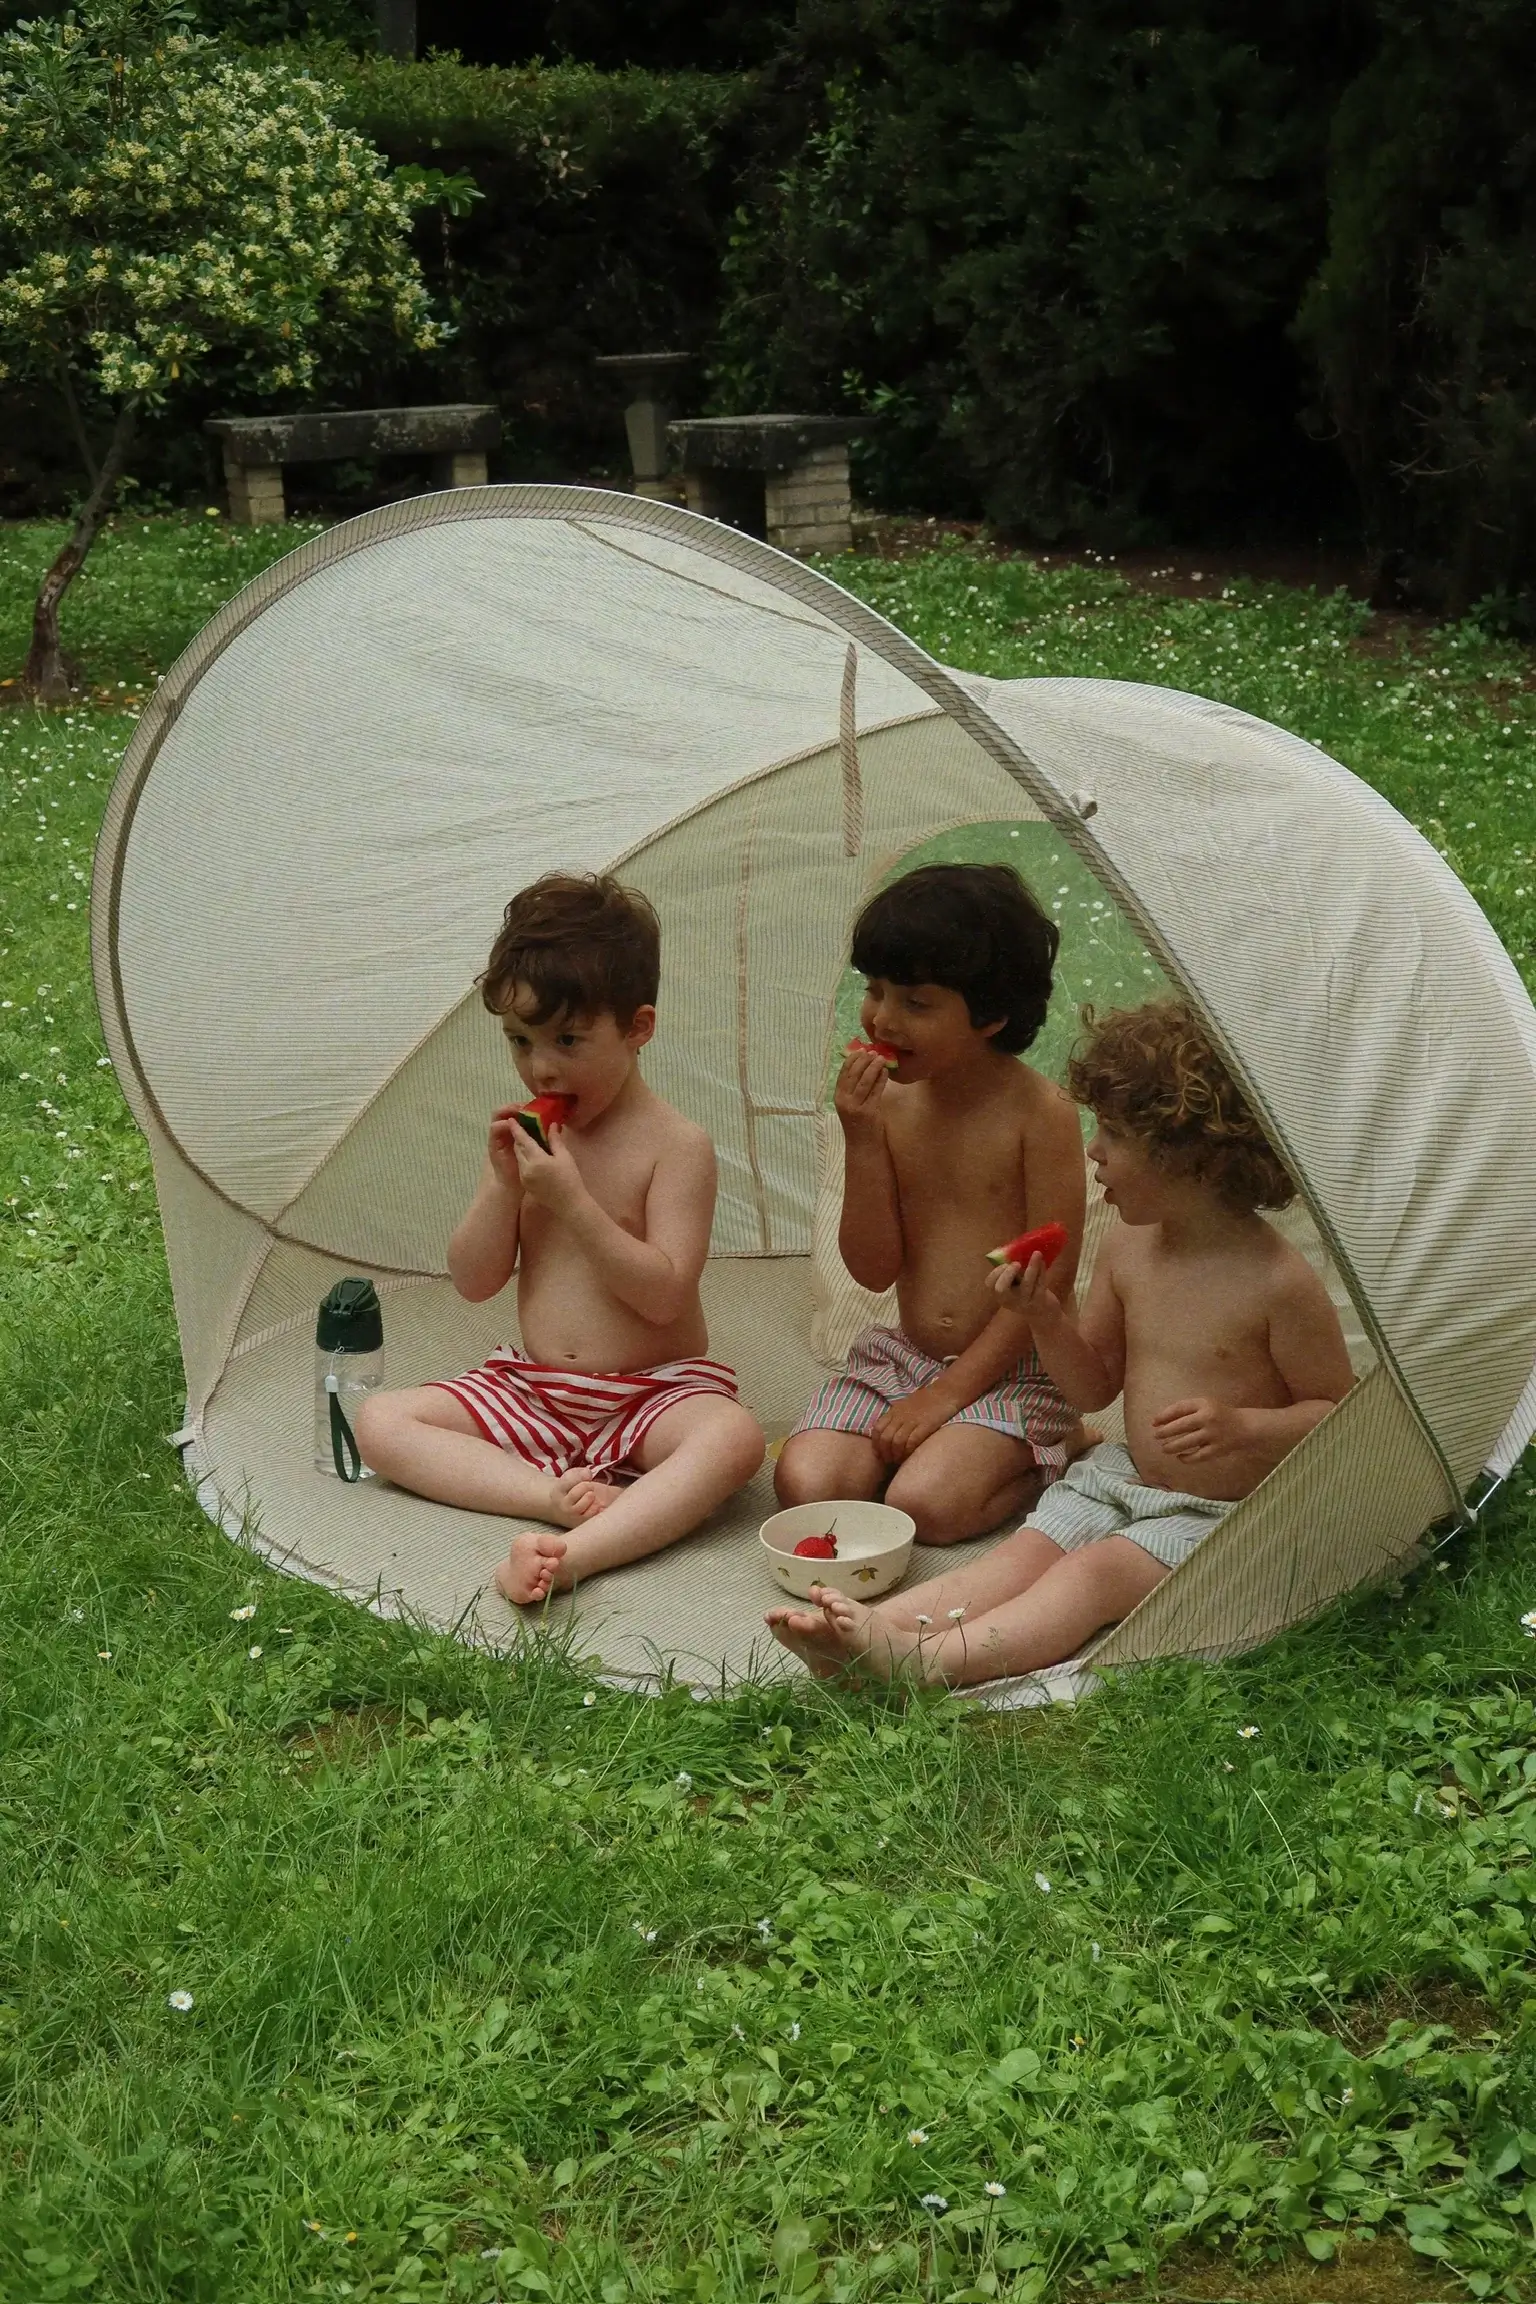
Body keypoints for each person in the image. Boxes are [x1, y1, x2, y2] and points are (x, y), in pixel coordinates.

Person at [767, 997, 1355, 1686]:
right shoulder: (1129, 1247)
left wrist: (1244, 1427)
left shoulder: (1278, 1282)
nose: (1093, 1150)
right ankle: (872, 1632)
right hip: (1123, 1477)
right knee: (1019, 1558)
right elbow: (1093, 1386)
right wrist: (1044, 1317)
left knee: (1091, 1576)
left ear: (1193, 1157)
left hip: (1220, 1513)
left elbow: (1339, 1415)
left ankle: (927, 1667)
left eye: (1115, 1134)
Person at [355, 872, 765, 1607]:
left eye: (568, 1040)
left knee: (733, 1440)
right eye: (520, 1041)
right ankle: (551, 1499)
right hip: (537, 1389)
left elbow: (666, 1296)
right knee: (380, 1422)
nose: (541, 1067)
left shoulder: (677, 1146)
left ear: (638, 1028)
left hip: (652, 1392)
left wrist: (573, 1202)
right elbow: (474, 1281)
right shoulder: (533, 1142)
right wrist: (503, 1186)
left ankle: (574, 1556)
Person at [774, 862, 1088, 1546]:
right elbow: (872, 1270)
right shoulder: (887, 1106)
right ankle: (941, 1450)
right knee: (806, 1488)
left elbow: (1049, 1279)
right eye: (874, 990)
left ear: (992, 1016)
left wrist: (946, 1397)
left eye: (916, 1003)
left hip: (1014, 1369)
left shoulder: (1042, 1115)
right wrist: (861, 1137)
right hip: (905, 1358)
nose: (882, 1018)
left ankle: (1056, 1450)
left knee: (928, 1507)